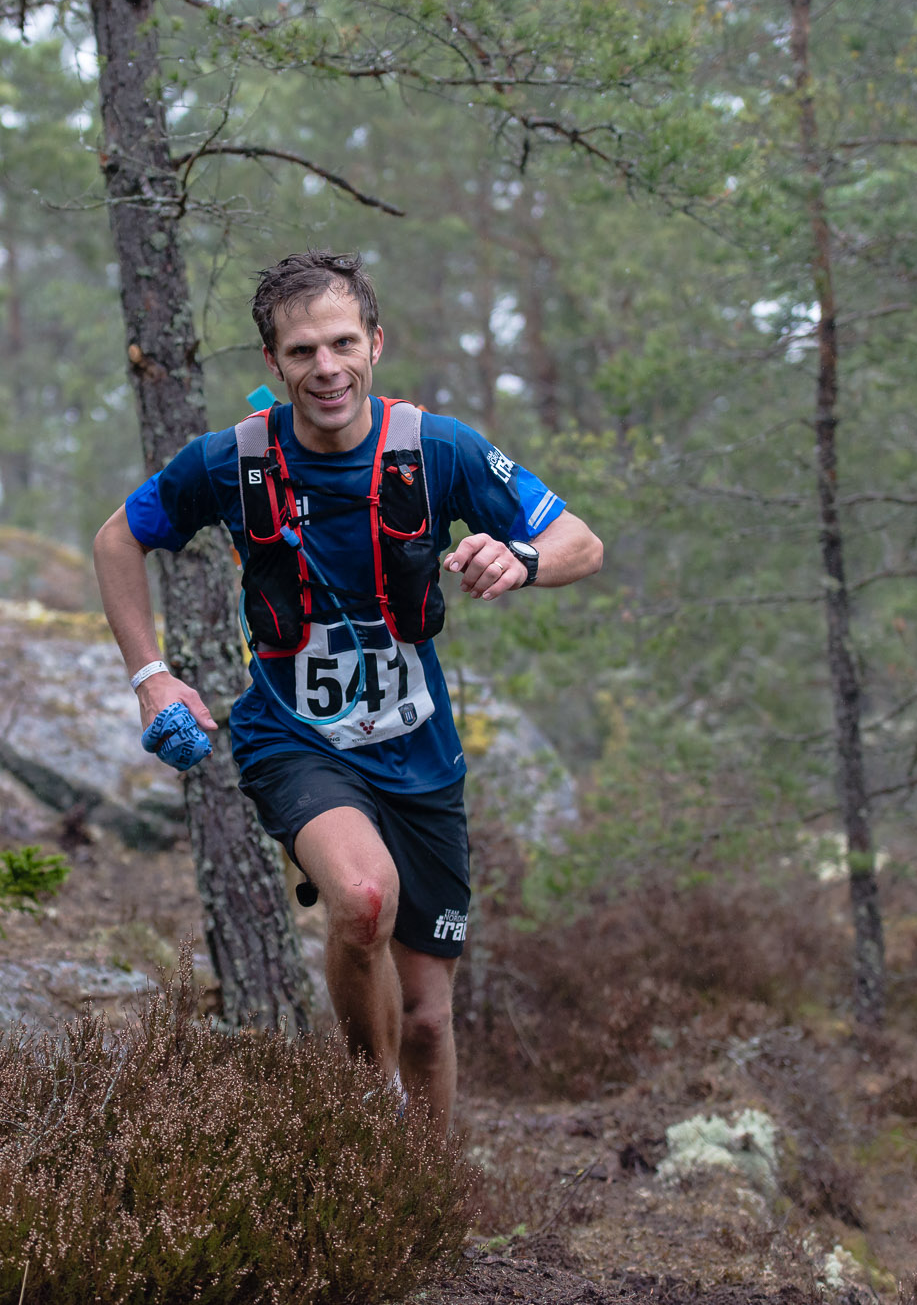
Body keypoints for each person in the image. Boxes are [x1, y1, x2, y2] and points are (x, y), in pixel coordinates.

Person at [93, 251, 603, 1130]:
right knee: (362, 901)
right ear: (273, 365)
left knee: (430, 1022)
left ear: (375, 341)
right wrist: (152, 676)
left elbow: (581, 542)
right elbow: (116, 540)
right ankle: (371, 1109)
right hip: (295, 737)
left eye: (340, 344)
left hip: (420, 751)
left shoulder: (437, 449)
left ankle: (426, 1206)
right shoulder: (232, 463)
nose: (324, 368)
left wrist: (519, 558)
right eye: (300, 352)